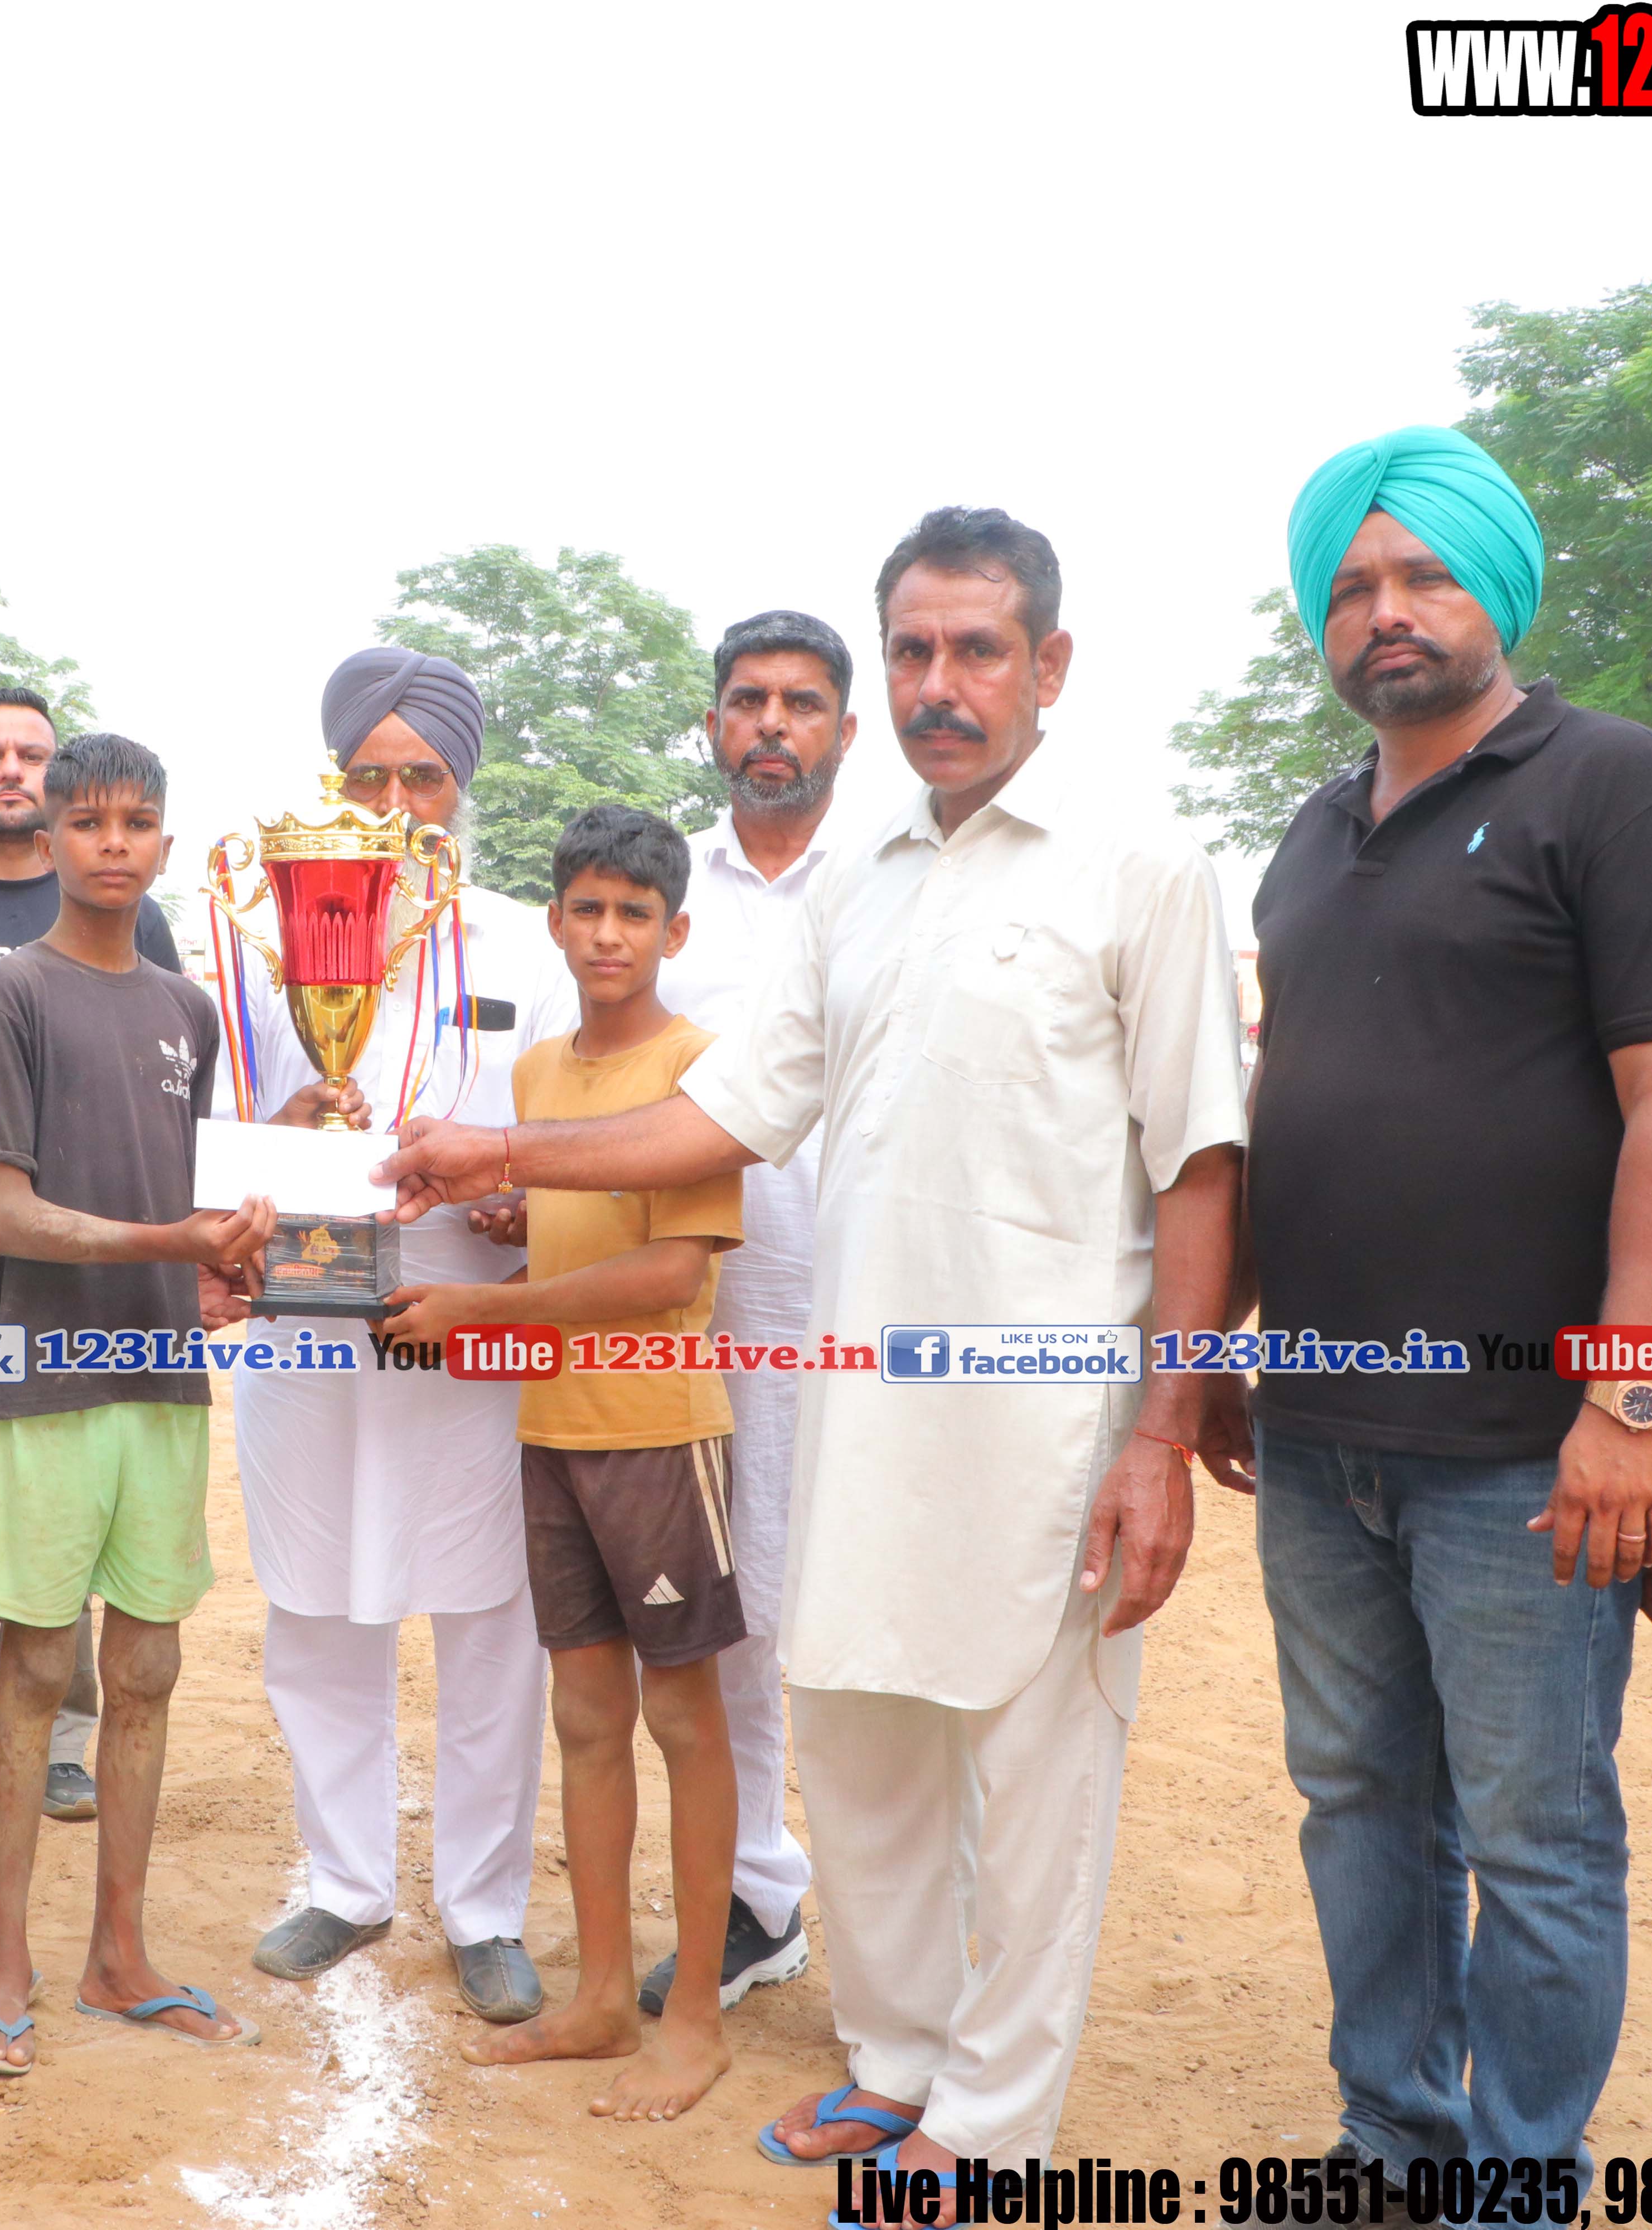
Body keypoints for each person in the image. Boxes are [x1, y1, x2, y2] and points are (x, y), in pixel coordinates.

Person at [382, 507, 1248, 2167]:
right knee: (855, 1728)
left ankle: (988, 2129)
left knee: (1031, 1763)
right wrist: (504, 1150)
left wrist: (1162, 1432)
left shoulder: (1143, 867)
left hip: (1050, 1409)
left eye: (977, 649)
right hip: (860, 1392)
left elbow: (1201, 1165)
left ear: (1050, 665)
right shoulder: (858, 882)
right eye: (913, 649)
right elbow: (726, 1110)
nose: (939, 684)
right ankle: (899, 2058)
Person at [1243, 428, 1652, 2163]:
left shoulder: (1620, 790)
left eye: (1425, 574)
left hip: (1527, 1446)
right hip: (1320, 1434)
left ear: (1502, 589)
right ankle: (1394, 2137)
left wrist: (1633, 1400)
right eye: (1352, 586)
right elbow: (1288, 1098)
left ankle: (1523, 2177)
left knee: (1537, 1838)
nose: (1387, 610)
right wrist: (1232, 1355)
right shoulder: (1310, 835)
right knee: (1357, 1800)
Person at [380, 804, 747, 2118]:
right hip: (552, 1430)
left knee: (682, 1718)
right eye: (587, 908)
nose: (608, 933)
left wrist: (488, 1310)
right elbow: (579, 1234)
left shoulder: (701, 1066)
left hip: (659, 1432)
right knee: (586, 1718)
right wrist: (508, 1230)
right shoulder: (535, 1074)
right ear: (554, 921)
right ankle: (598, 1996)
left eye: (634, 912)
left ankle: (691, 2013)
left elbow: (669, 1271)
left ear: (674, 930)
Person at [220, 646, 553, 2027]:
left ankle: (486, 1909)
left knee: (492, 1617)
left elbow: (570, 1125)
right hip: (310, 1330)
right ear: (334, 782)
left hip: (474, 1323)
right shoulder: (269, 942)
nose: (399, 803)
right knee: (314, 1609)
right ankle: (346, 1883)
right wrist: (278, 1136)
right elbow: (226, 1138)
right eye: (370, 776)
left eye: (424, 776)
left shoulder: (528, 943)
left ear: (462, 783)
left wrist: (523, 1192)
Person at [0, 731, 273, 2074]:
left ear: (164, 844)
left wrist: (223, 1256)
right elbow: (6, 1211)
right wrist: (169, 1241)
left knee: (146, 1669)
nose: (114, 843)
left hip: (164, 1382)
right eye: (90, 821)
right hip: (50, 1380)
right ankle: (4, 1963)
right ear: (52, 838)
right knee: (34, 1670)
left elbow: (201, 1192)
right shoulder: (7, 993)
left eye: (137, 822)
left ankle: (119, 1955)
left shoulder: (187, 1006)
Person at [0, 686, 182, 1836]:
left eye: (32, 752)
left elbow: (167, 1097)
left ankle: (67, 1736)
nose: (11, 770)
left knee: (86, 1506)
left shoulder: (139, 924)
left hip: (115, 1278)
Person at [631, 610, 851, 2020]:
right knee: (737, 1612)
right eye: (749, 699)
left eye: (803, 701)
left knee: (864, 1609)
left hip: (871, 1311)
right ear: (714, 723)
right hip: (699, 1307)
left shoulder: (896, 875)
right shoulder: (669, 891)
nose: (773, 723)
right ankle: (758, 1893)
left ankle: (905, 1927)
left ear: (845, 727)